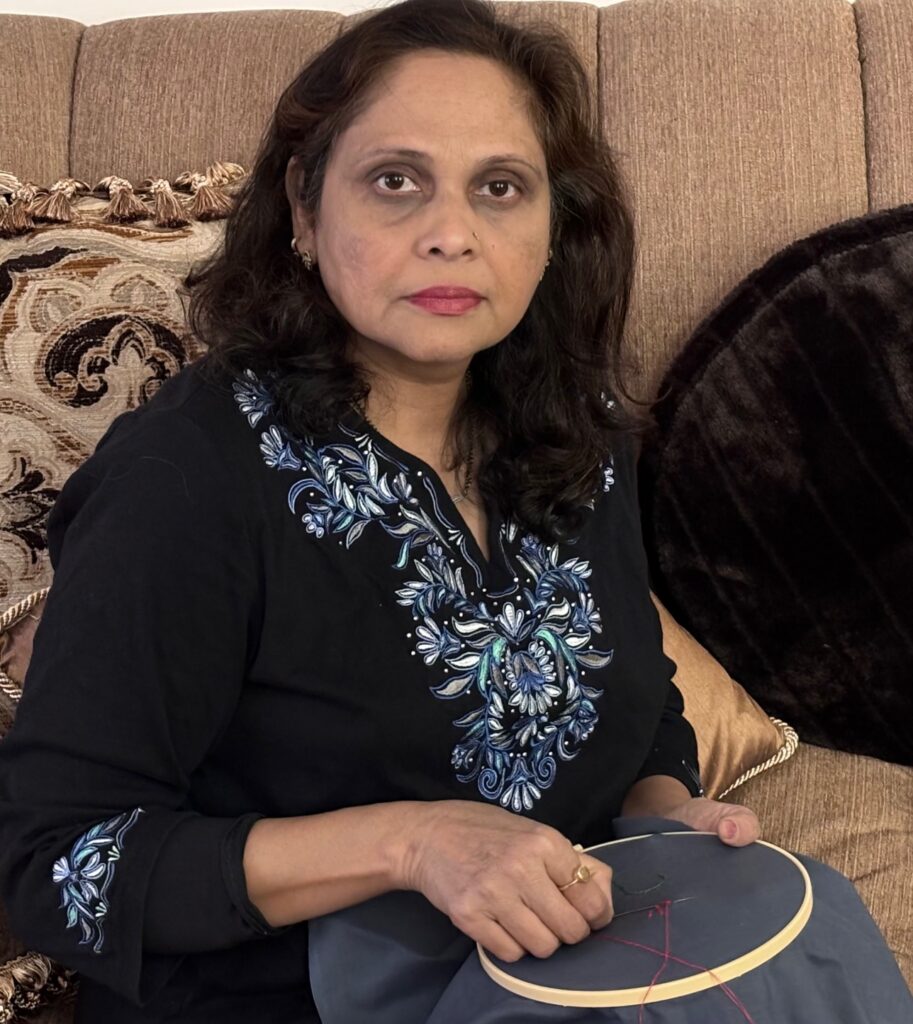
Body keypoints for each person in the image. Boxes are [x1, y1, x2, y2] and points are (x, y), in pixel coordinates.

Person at [0, 1, 909, 1021]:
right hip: (273, 995)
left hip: (571, 964)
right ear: (304, 208)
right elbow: (56, 867)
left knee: (814, 928)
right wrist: (412, 841)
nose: (450, 234)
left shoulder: (576, 430)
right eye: (396, 182)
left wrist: (668, 822)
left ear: (555, 225)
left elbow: (639, 699)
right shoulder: (188, 480)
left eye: (500, 188)